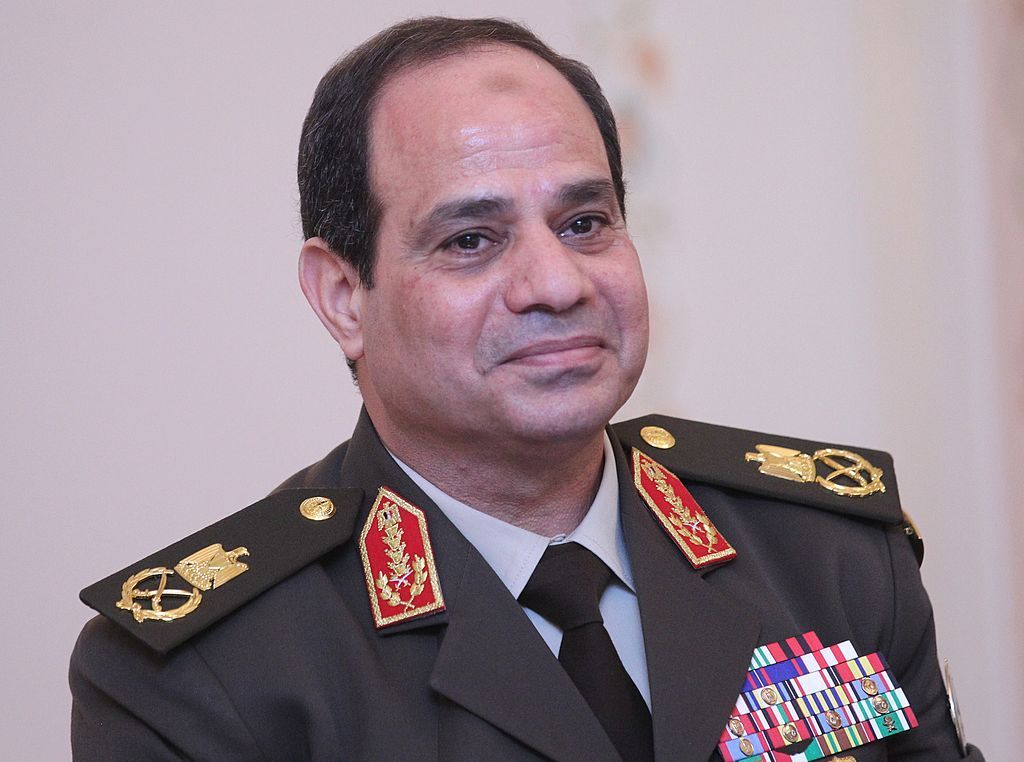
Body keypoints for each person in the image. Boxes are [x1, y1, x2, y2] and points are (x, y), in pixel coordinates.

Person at [70, 16, 982, 761]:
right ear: (344, 297)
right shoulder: (204, 674)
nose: (556, 283)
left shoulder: (827, 557)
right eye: (471, 239)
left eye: (585, 222)